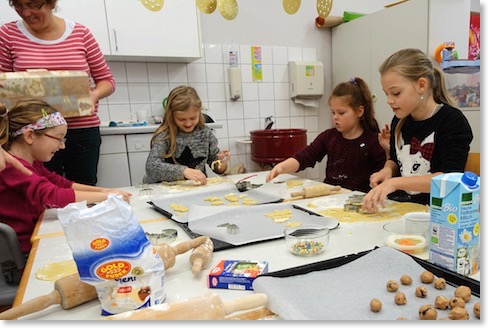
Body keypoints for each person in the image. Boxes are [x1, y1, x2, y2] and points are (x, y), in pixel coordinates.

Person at [0, 0, 116, 186]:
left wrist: (93, 96)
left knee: (84, 188)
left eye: (33, 5)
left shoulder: (81, 33)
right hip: (34, 134)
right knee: (41, 191)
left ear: (51, 3)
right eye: (19, 6)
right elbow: (3, 83)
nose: (26, 12)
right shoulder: (8, 34)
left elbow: (107, 81)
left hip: (81, 131)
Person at [0, 99, 131, 255]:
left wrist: (104, 190)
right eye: (58, 138)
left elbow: (61, 183)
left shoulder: (32, 163)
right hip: (24, 251)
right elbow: (52, 196)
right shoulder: (11, 168)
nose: (62, 146)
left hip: (37, 235)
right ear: (30, 136)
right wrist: (107, 196)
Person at [361, 48, 473, 213]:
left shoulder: (452, 121)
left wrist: (394, 183)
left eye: (396, 93)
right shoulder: (399, 120)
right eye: (386, 94)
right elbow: (395, 158)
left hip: (438, 214)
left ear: (421, 85)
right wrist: (387, 170)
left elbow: (448, 179)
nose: (389, 101)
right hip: (401, 209)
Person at [266, 77, 386, 193]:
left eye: (341, 113)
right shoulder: (329, 137)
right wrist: (282, 167)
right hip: (330, 198)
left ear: (359, 111)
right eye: (333, 112)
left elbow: (381, 178)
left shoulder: (374, 141)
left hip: (358, 202)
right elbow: (305, 157)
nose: (335, 117)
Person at [145, 86, 230, 185]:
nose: (188, 123)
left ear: (199, 112)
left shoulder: (205, 134)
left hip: (198, 188)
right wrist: (183, 171)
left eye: (193, 118)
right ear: (171, 116)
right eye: (182, 119)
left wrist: (222, 163)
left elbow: (215, 165)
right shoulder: (165, 136)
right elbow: (151, 167)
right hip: (169, 191)